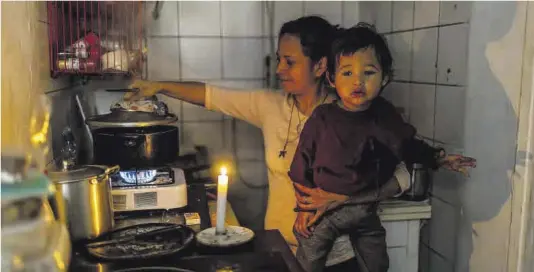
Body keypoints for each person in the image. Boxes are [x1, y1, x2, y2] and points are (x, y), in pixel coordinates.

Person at [125, 16, 476, 271]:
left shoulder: (355, 111)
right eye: (279, 59)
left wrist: (346, 198)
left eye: (289, 61)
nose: (279, 69)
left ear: (321, 65)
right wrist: (158, 86)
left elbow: (403, 172)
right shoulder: (270, 106)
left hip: (340, 254)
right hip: (280, 246)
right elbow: (211, 96)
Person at [288, 23, 460, 272]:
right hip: (324, 212)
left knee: (377, 262)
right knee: (308, 258)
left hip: (364, 209)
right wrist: (304, 210)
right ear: (332, 78)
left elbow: (408, 146)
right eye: (347, 73)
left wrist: (440, 158)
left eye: (368, 73)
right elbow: (300, 166)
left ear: (385, 78)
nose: (357, 81)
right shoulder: (322, 118)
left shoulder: (384, 115)